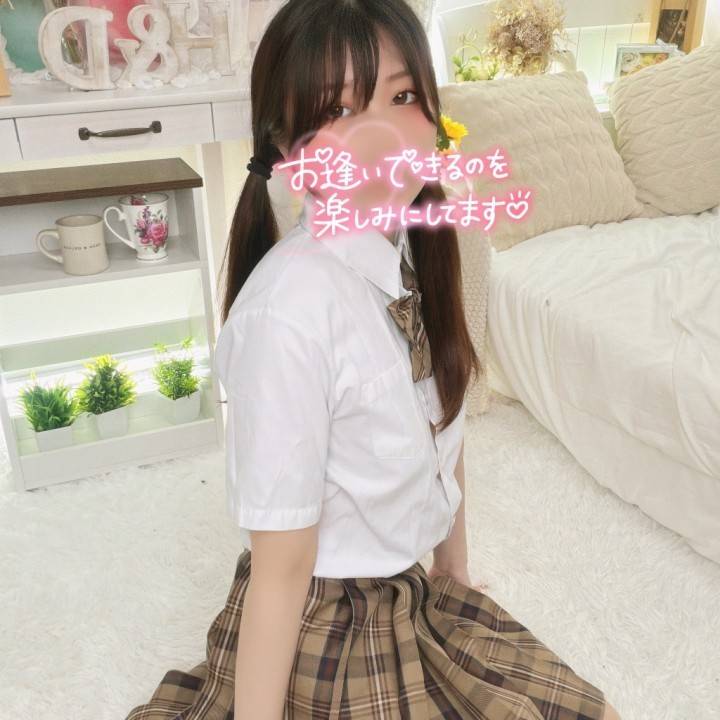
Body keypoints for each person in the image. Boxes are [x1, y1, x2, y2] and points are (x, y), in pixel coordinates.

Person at [125, 1, 622, 718]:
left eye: (402, 96)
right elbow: (281, 570)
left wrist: (453, 577)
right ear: (288, 148)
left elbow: (444, 424)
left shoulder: (412, 245)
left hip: (407, 591)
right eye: (339, 110)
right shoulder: (288, 317)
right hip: (328, 626)